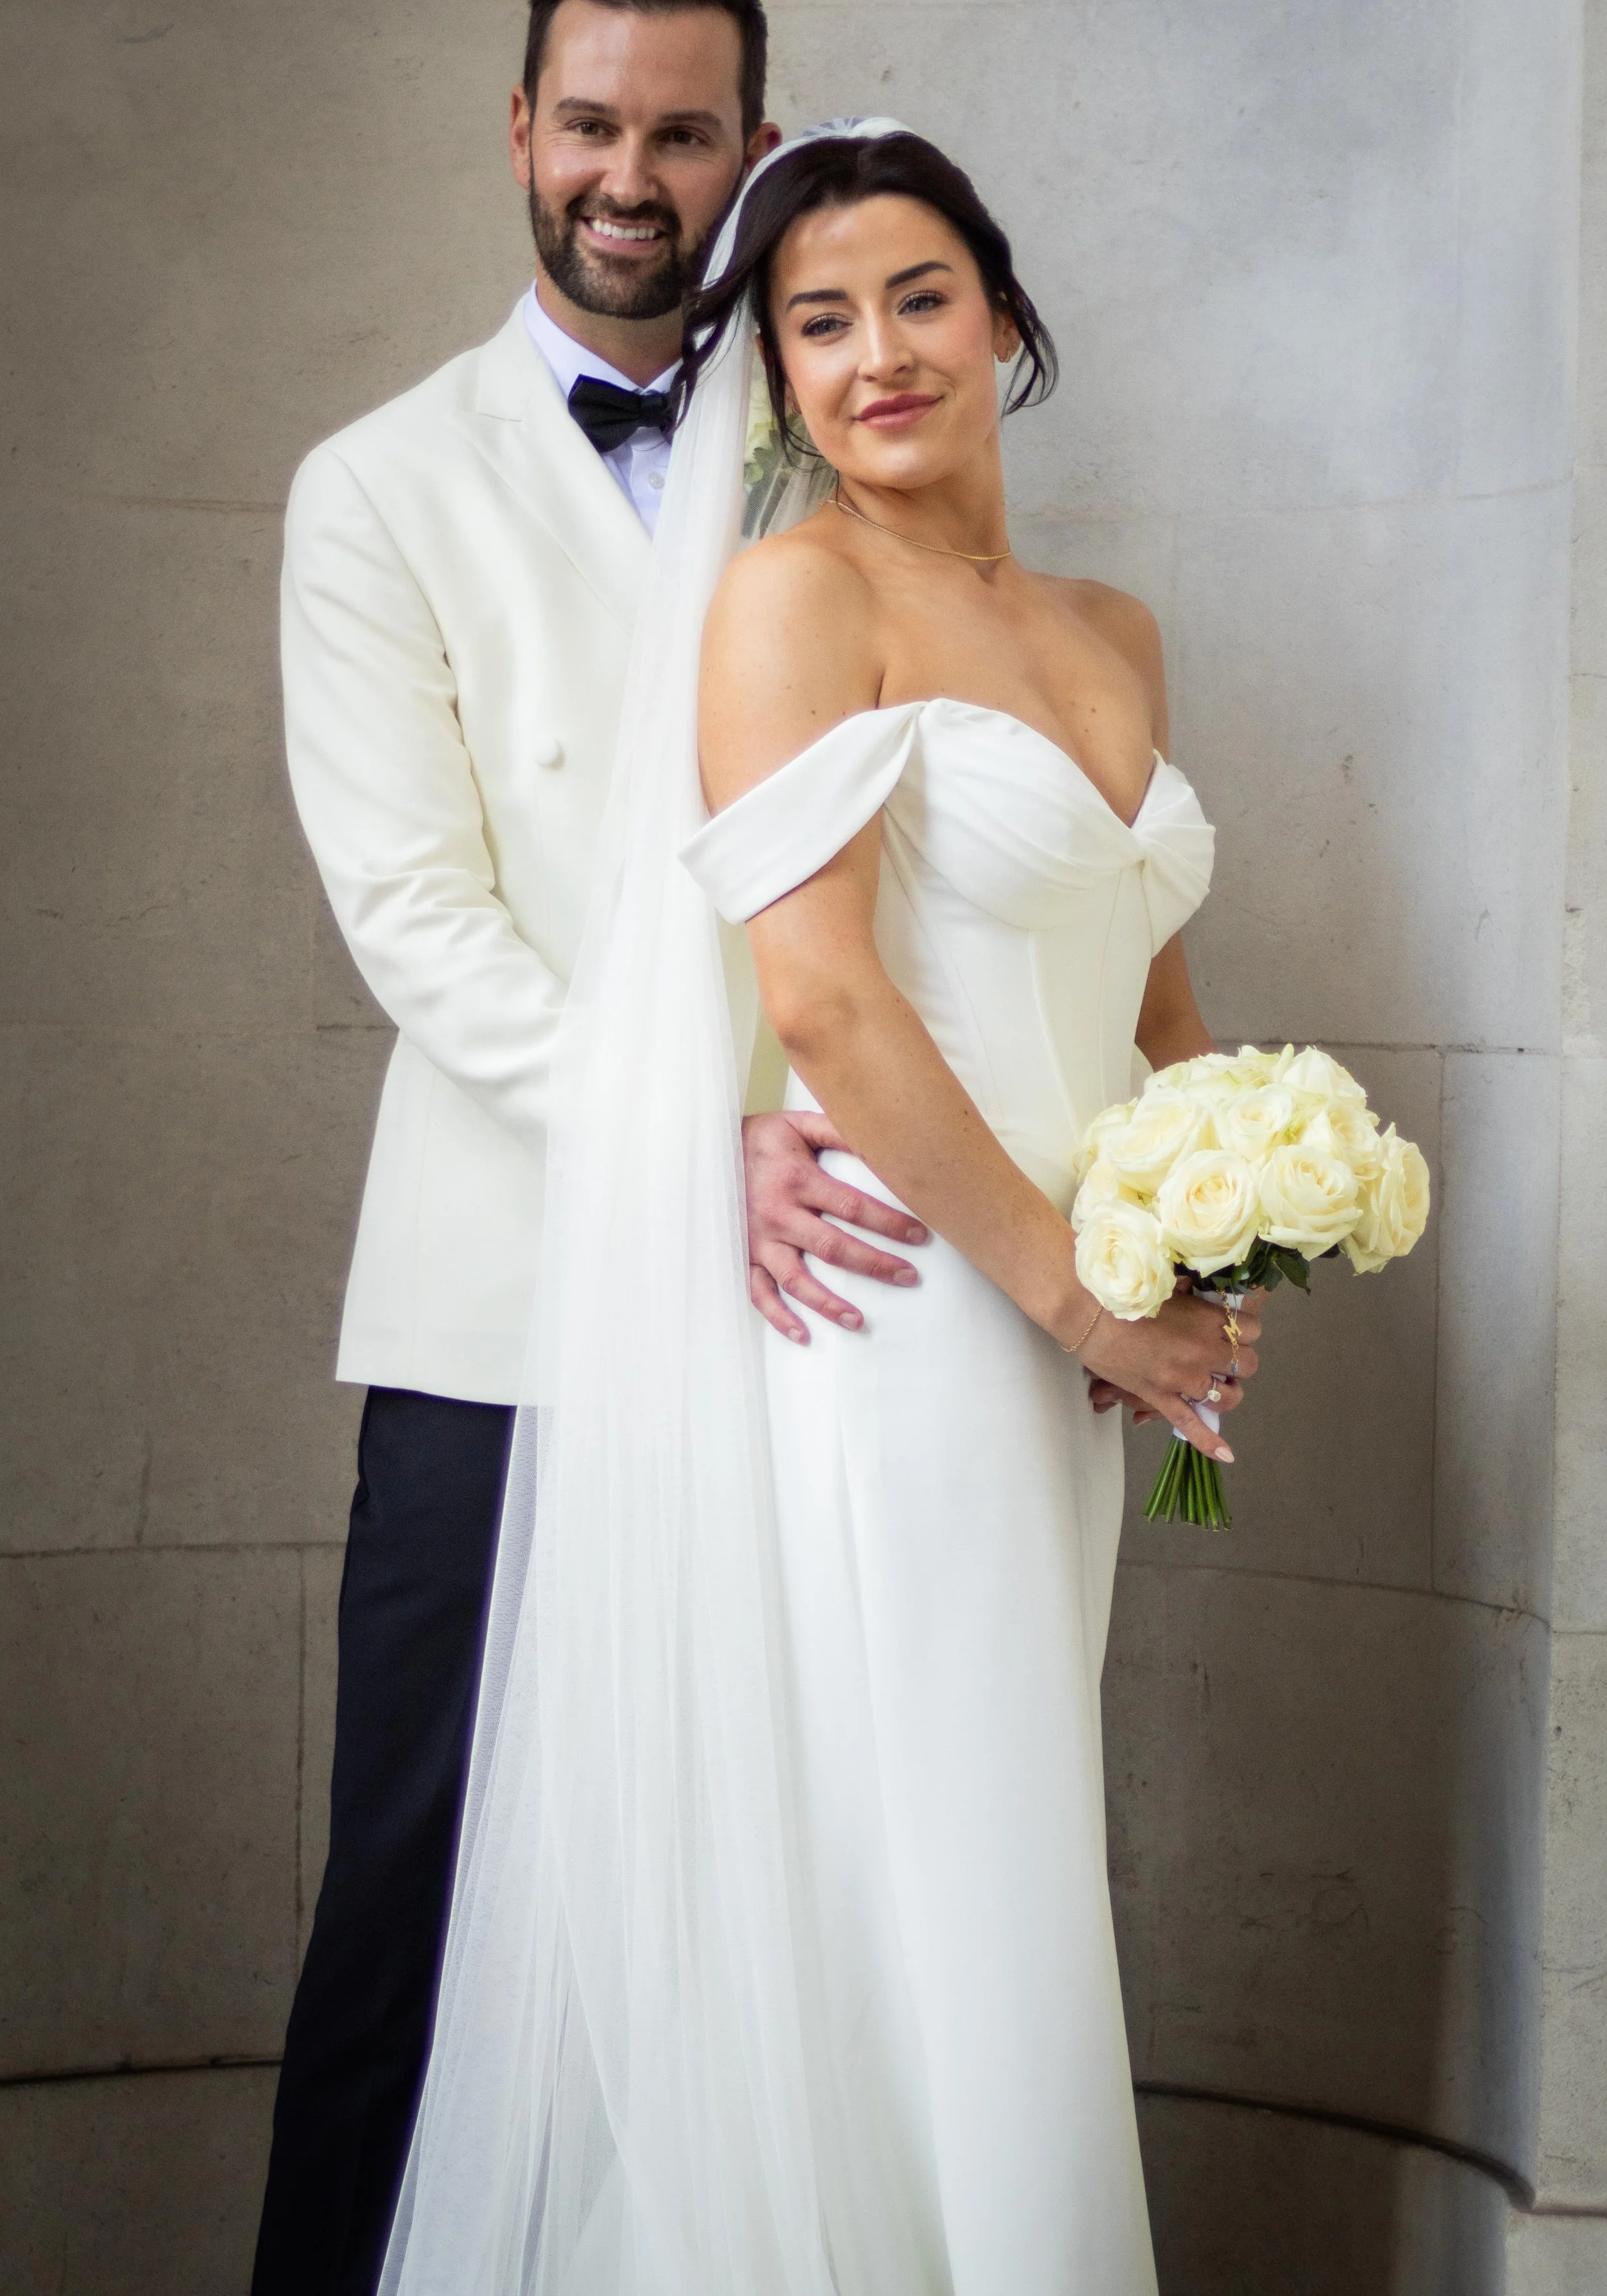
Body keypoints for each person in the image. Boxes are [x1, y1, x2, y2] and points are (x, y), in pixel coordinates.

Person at [380, 124, 1262, 2295]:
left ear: (1004, 312)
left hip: (1079, 1320)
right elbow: (827, 1003)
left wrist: (1229, 1219)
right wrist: (1076, 1298)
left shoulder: (1108, 623)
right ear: (771, 378)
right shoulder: (796, 599)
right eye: (817, 320)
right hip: (915, 1303)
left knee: (989, 1832)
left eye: (921, 296)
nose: (878, 352)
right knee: (948, 1853)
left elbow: (1151, 987)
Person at [254, 0, 926, 2296]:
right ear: (515, 134)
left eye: (676, 132)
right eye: (586, 124)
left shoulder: (835, 429)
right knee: (418, 1900)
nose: (626, 178)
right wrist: (682, 1138)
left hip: (818, 1281)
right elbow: (418, 924)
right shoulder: (374, 487)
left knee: (773, 1900)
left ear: (751, 149)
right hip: (502, 1300)